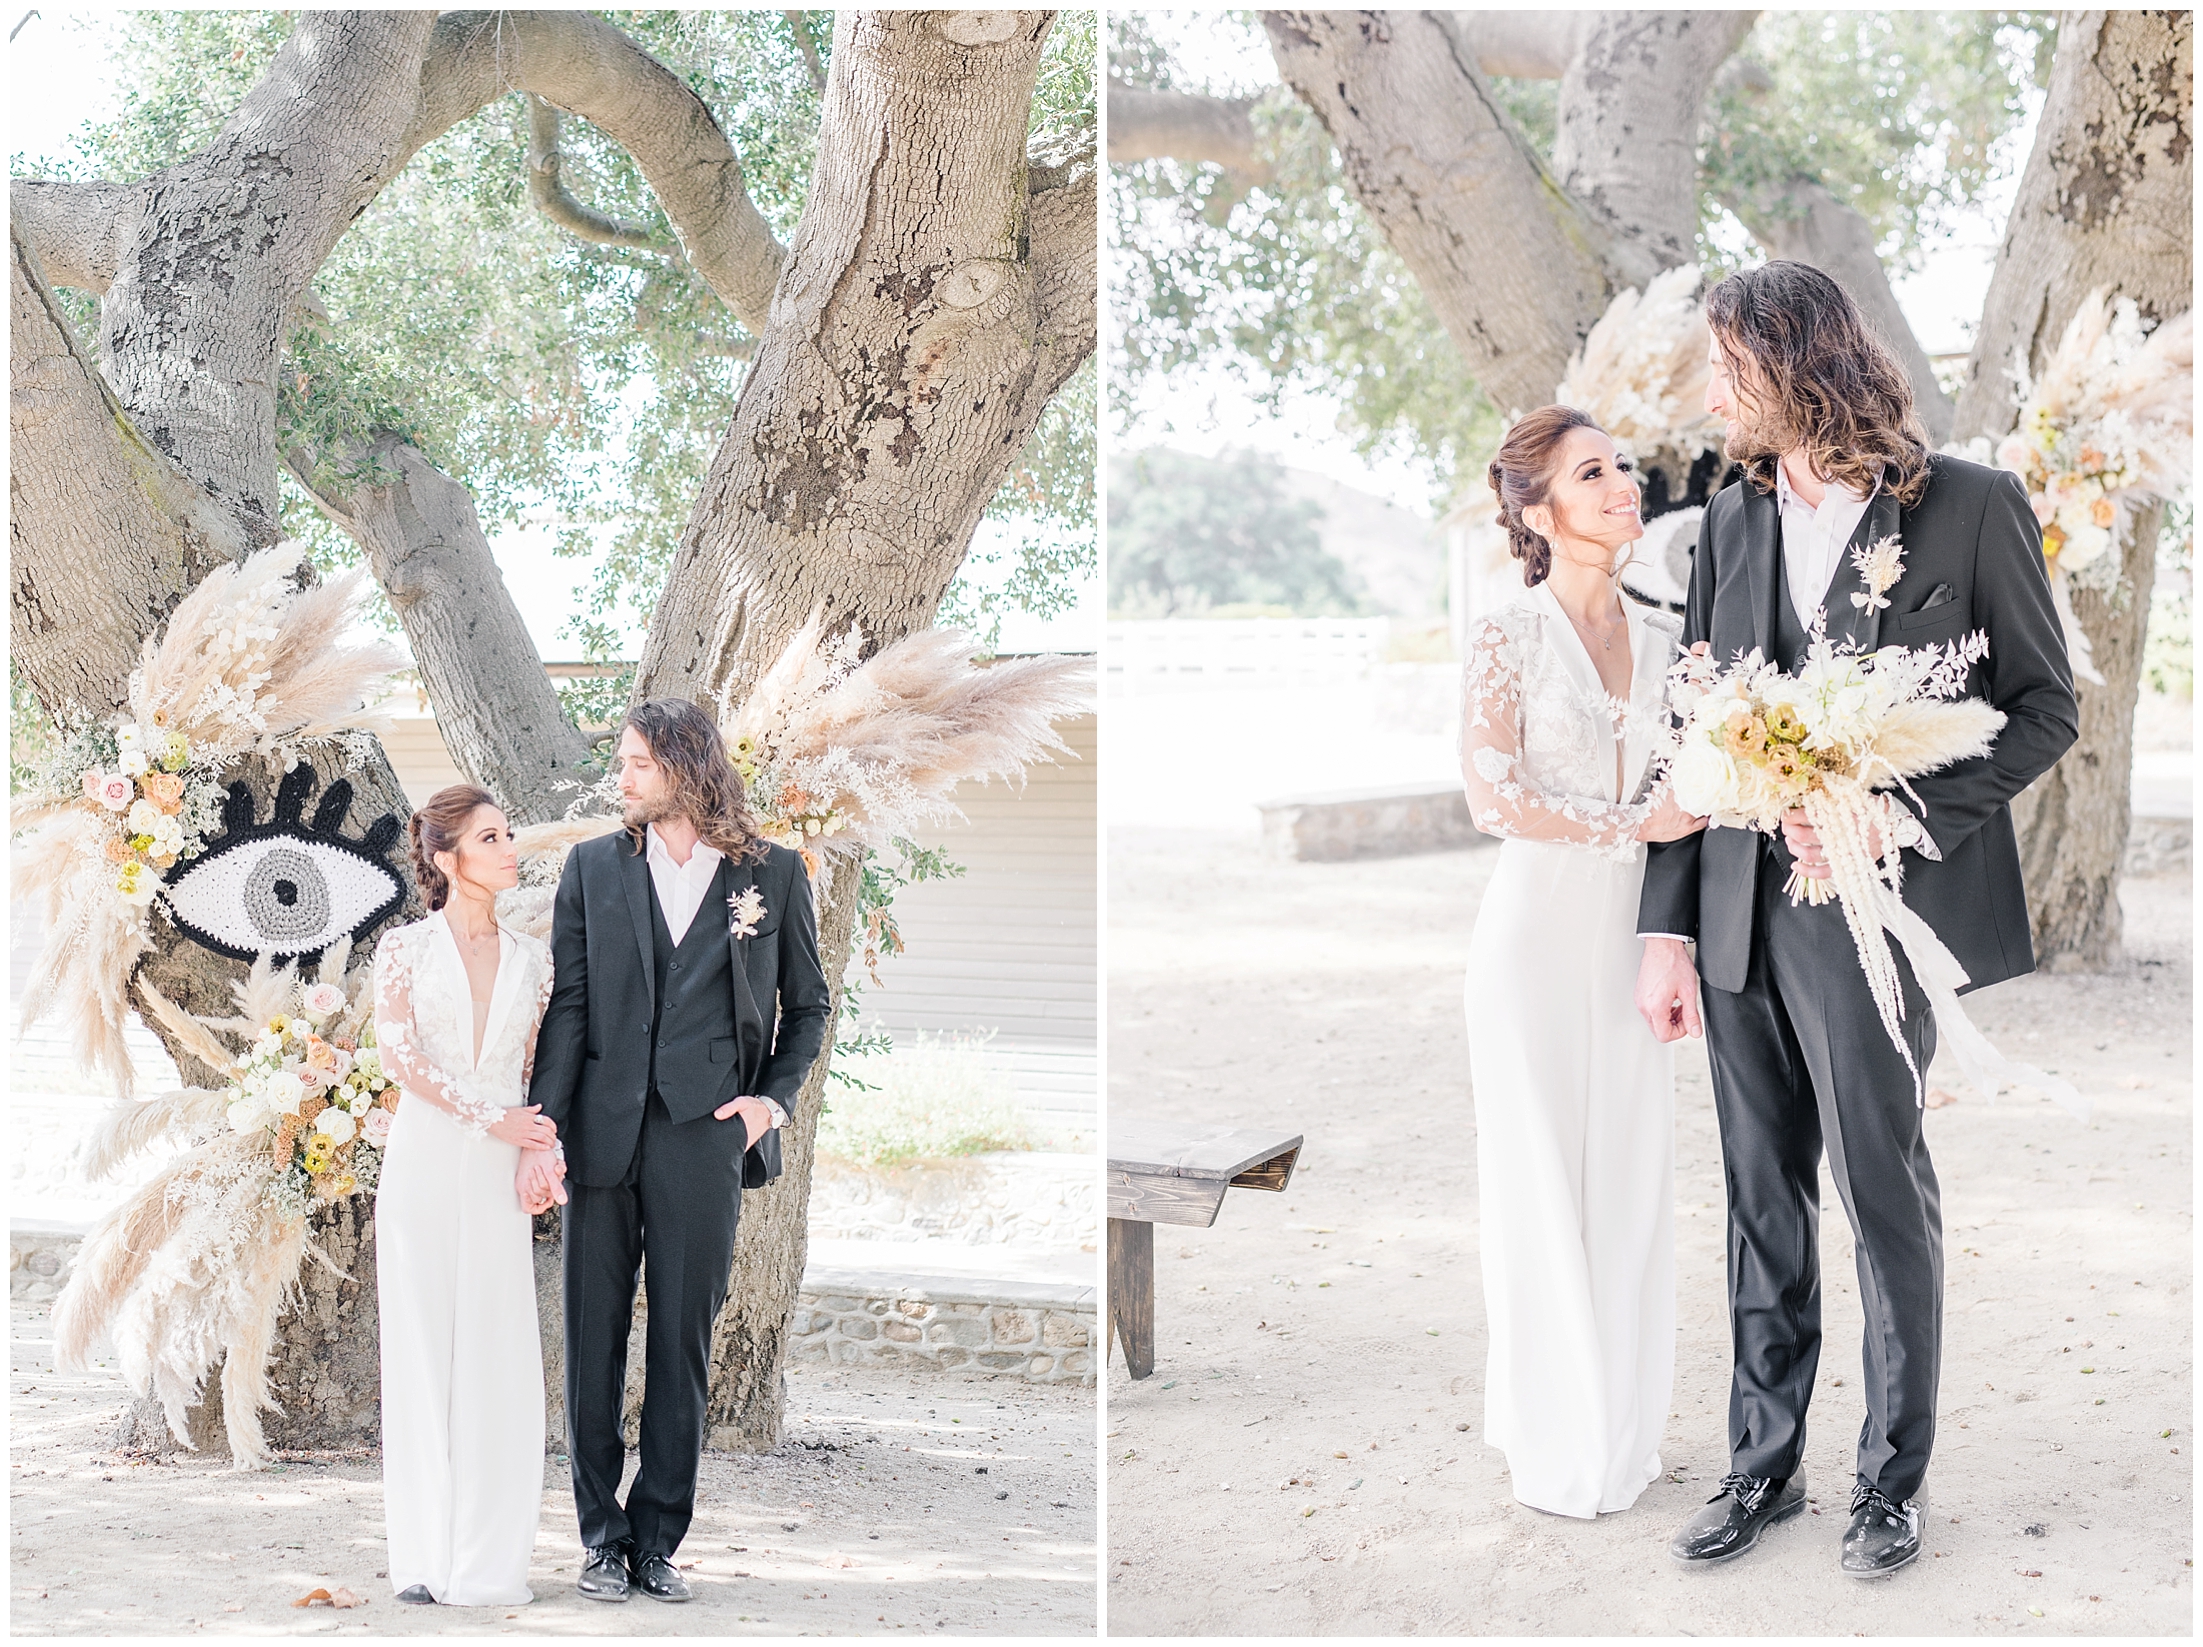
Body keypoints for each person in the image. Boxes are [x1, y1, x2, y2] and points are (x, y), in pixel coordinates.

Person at [1636, 260, 2078, 1576]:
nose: (1708, 388)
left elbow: (2046, 706)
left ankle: (1888, 1478)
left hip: (1872, 909)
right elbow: (1693, 743)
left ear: (1787, 357)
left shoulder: (1969, 505)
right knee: (1756, 1201)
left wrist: (1905, 815)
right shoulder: (1719, 526)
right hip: (1729, 912)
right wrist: (1665, 930)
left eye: (1723, 361)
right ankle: (1758, 1464)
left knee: (1879, 1193)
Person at [523, 697, 833, 1603]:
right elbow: (569, 1008)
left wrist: (765, 1106)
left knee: (681, 1345)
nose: (620, 779)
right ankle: (599, 1535)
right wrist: (545, 1131)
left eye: (636, 764)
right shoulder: (591, 866)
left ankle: (658, 1536)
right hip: (600, 1134)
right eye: (621, 764)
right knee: (592, 1337)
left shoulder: (771, 874)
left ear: (687, 766)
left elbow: (807, 1007)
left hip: (705, 1137)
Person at [1459, 405, 1706, 1518]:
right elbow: (1490, 797)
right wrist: (1635, 830)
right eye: (1592, 473)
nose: (1624, 487)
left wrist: (1677, 933)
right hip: (1531, 938)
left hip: (1633, 946)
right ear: (1539, 508)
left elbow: (1702, 800)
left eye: (1623, 468)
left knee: (1628, 1178)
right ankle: (1553, 1437)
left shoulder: (1670, 638)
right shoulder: (1504, 635)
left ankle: (1619, 1427)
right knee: (1539, 1183)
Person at [372, 784, 559, 1606]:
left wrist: (533, 1152)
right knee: (419, 1350)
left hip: (497, 1170)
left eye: (509, 832)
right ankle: (421, 1557)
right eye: (491, 836)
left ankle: (488, 1561)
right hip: (424, 1157)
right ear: (447, 859)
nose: (511, 846)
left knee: (497, 1349)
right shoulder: (403, 949)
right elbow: (401, 1060)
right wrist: (496, 1121)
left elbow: (531, 1074)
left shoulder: (535, 959)